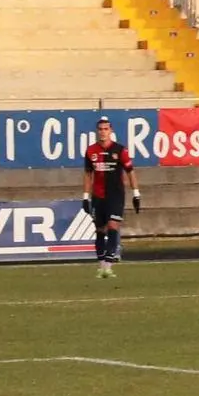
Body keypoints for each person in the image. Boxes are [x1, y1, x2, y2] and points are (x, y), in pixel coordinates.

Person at [80, 116, 141, 279]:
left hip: (115, 196)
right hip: (98, 196)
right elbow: (87, 174)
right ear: (97, 131)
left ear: (111, 131)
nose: (103, 132)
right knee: (100, 231)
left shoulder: (120, 150)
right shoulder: (91, 151)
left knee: (113, 227)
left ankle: (108, 266)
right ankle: (101, 267)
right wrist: (85, 197)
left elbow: (130, 171)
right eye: (100, 129)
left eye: (106, 129)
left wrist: (136, 193)